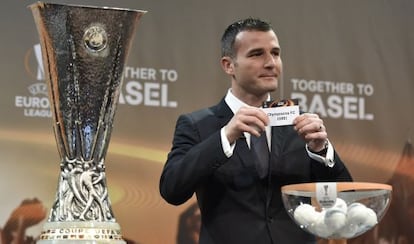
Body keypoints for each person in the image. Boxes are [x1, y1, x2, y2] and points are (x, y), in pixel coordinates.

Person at [159, 17, 353, 244]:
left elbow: (345, 196)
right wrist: (226, 136)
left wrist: (321, 150)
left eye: (276, 53)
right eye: (257, 54)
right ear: (228, 65)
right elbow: (172, 190)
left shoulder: (299, 124)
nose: (271, 62)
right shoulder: (198, 125)